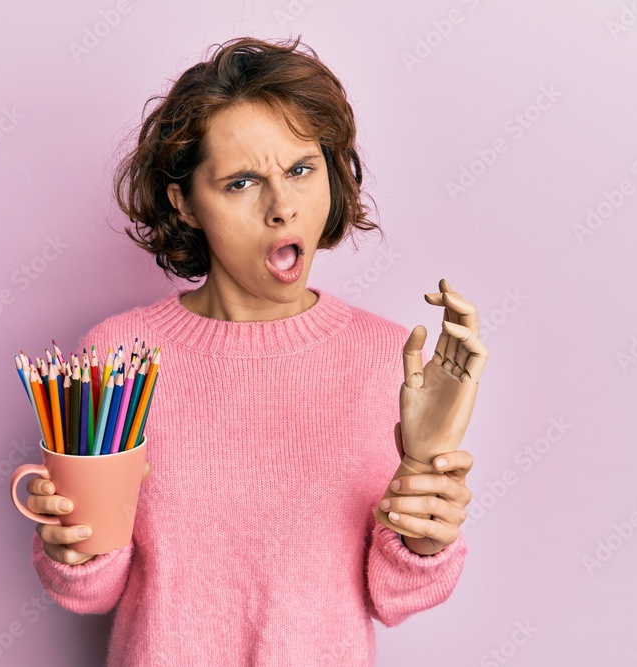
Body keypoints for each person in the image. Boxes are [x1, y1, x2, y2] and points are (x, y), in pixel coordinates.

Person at [24, 35, 487, 665]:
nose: (282, 207)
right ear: (184, 202)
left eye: (301, 170)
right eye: (241, 182)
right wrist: (69, 546)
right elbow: (93, 590)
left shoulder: (391, 360)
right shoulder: (117, 356)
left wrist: (424, 498)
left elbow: (393, 597)